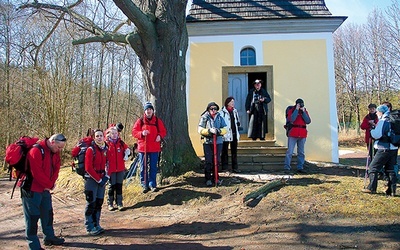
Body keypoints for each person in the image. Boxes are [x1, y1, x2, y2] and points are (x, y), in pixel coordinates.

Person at [22, 133, 67, 249]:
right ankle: (34, 245)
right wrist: (48, 184)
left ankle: (49, 237)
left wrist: (50, 185)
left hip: (45, 189)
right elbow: (36, 173)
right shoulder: (36, 151)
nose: (59, 150)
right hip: (31, 189)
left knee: (47, 214)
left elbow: (57, 168)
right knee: (32, 218)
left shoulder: (55, 152)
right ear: (52, 142)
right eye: (59, 147)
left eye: (61, 148)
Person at [362, 105, 398, 196]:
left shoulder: (383, 121)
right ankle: (392, 190)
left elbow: (377, 134)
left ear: (381, 112)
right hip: (394, 148)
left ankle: (371, 188)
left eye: (378, 112)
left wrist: (371, 131)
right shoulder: (394, 120)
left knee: (373, 168)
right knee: (390, 169)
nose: (377, 113)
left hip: (383, 148)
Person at [132, 102, 167, 193]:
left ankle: (152, 184)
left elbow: (163, 131)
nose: (148, 111)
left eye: (150, 109)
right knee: (143, 167)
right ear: (145, 111)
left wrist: (160, 136)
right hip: (143, 148)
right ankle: (144, 185)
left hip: (154, 148)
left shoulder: (157, 121)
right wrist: (141, 133)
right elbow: (134, 132)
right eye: (147, 109)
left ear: (152, 111)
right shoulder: (140, 121)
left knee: (153, 167)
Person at [84, 129, 109, 235]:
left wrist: (106, 177)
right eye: (97, 136)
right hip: (91, 180)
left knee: (99, 203)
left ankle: (96, 224)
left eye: (101, 136)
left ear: (104, 137)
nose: (99, 138)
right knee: (91, 203)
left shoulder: (106, 149)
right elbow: (88, 168)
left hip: (102, 180)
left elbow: (109, 163)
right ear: (94, 138)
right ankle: (89, 226)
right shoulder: (90, 150)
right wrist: (98, 180)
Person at [198, 102, 227, 186]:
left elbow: (225, 128)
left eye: (215, 109)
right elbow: (200, 129)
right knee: (209, 161)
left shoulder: (220, 118)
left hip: (218, 142)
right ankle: (208, 178)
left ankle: (216, 177)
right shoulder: (204, 118)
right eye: (211, 109)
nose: (213, 110)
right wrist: (209, 131)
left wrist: (219, 131)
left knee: (217, 160)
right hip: (208, 142)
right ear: (208, 109)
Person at [105, 126, 130, 211]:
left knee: (119, 186)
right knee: (111, 186)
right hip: (110, 169)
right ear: (109, 134)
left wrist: (127, 154)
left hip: (120, 168)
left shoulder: (121, 143)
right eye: (113, 133)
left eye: (116, 133)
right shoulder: (106, 144)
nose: (115, 135)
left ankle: (119, 203)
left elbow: (127, 149)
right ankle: (110, 203)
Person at [284, 98, 311, 173]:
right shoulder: (291, 110)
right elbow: (292, 119)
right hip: (293, 133)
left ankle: (300, 167)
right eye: (299, 104)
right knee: (290, 151)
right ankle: (287, 167)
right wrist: (296, 110)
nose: (300, 105)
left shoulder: (304, 111)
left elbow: (308, 121)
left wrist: (303, 112)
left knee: (301, 152)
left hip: (302, 134)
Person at [219, 97, 241, 173]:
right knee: (224, 151)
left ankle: (235, 167)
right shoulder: (222, 112)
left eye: (233, 102)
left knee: (234, 151)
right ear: (227, 102)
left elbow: (237, 121)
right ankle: (224, 167)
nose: (233, 103)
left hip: (234, 133)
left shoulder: (235, 111)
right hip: (226, 134)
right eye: (231, 102)